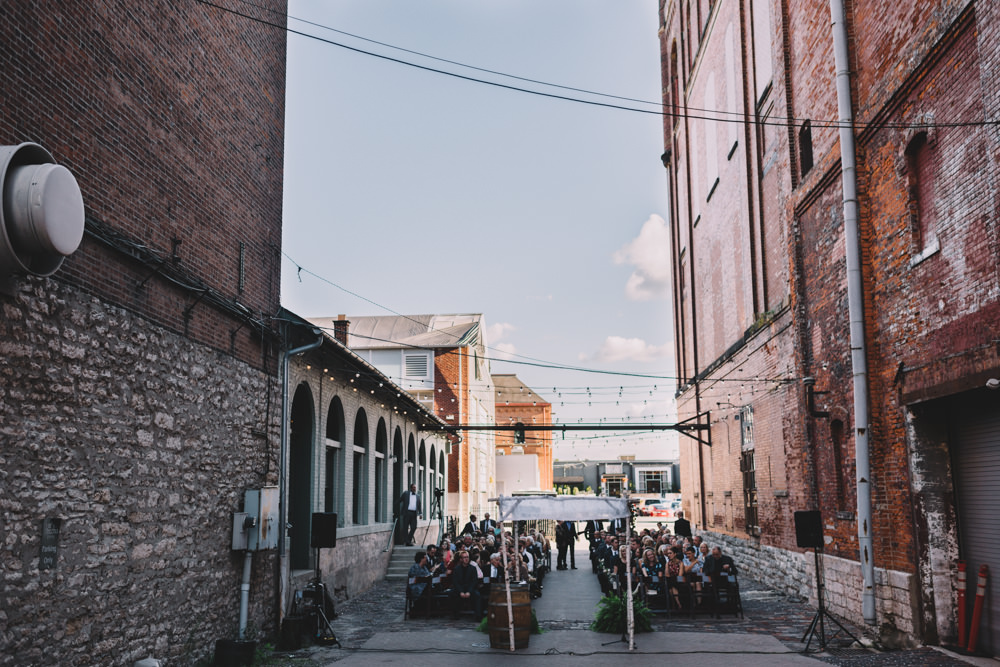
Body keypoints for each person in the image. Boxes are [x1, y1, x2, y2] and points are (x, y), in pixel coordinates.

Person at [449, 550, 483, 618]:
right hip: (460, 588)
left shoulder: (473, 568)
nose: (466, 559)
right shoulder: (456, 569)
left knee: (477, 595)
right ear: (461, 559)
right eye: (464, 557)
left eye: (467, 557)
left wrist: (469, 592)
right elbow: (455, 582)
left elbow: (474, 581)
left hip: (470, 588)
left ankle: (478, 615)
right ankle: (454, 614)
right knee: (451, 593)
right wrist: (461, 591)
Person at [407, 551, 432, 616]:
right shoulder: (415, 567)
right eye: (425, 558)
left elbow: (428, 575)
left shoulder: (424, 567)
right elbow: (413, 579)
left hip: (425, 587)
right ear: (421, 559)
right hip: (417, 588)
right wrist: (425, 578)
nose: (426, 559)